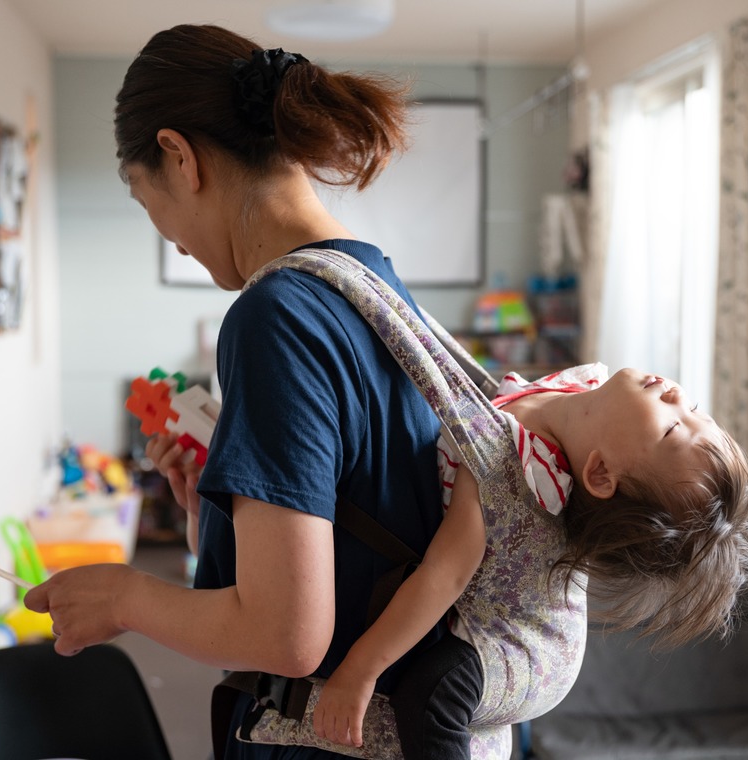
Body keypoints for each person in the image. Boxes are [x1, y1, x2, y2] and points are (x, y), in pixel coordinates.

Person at [24, 23, 449, 760]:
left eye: (142, 197)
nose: (169, 236)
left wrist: (124, 596)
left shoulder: (274, 313)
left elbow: (287, 636)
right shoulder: (375, 281)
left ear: (179, 157)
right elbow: (365, 533)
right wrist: (215, 517)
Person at [312, 363, 748, 759]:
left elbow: (444, 575)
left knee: (432, 691)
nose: (677, 395)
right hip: (534, 616)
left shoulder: (503, 473)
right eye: (695, 412)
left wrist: (360, 671)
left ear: (599, 473)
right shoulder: (578, 393)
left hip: (535, 650)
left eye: (672, 428)